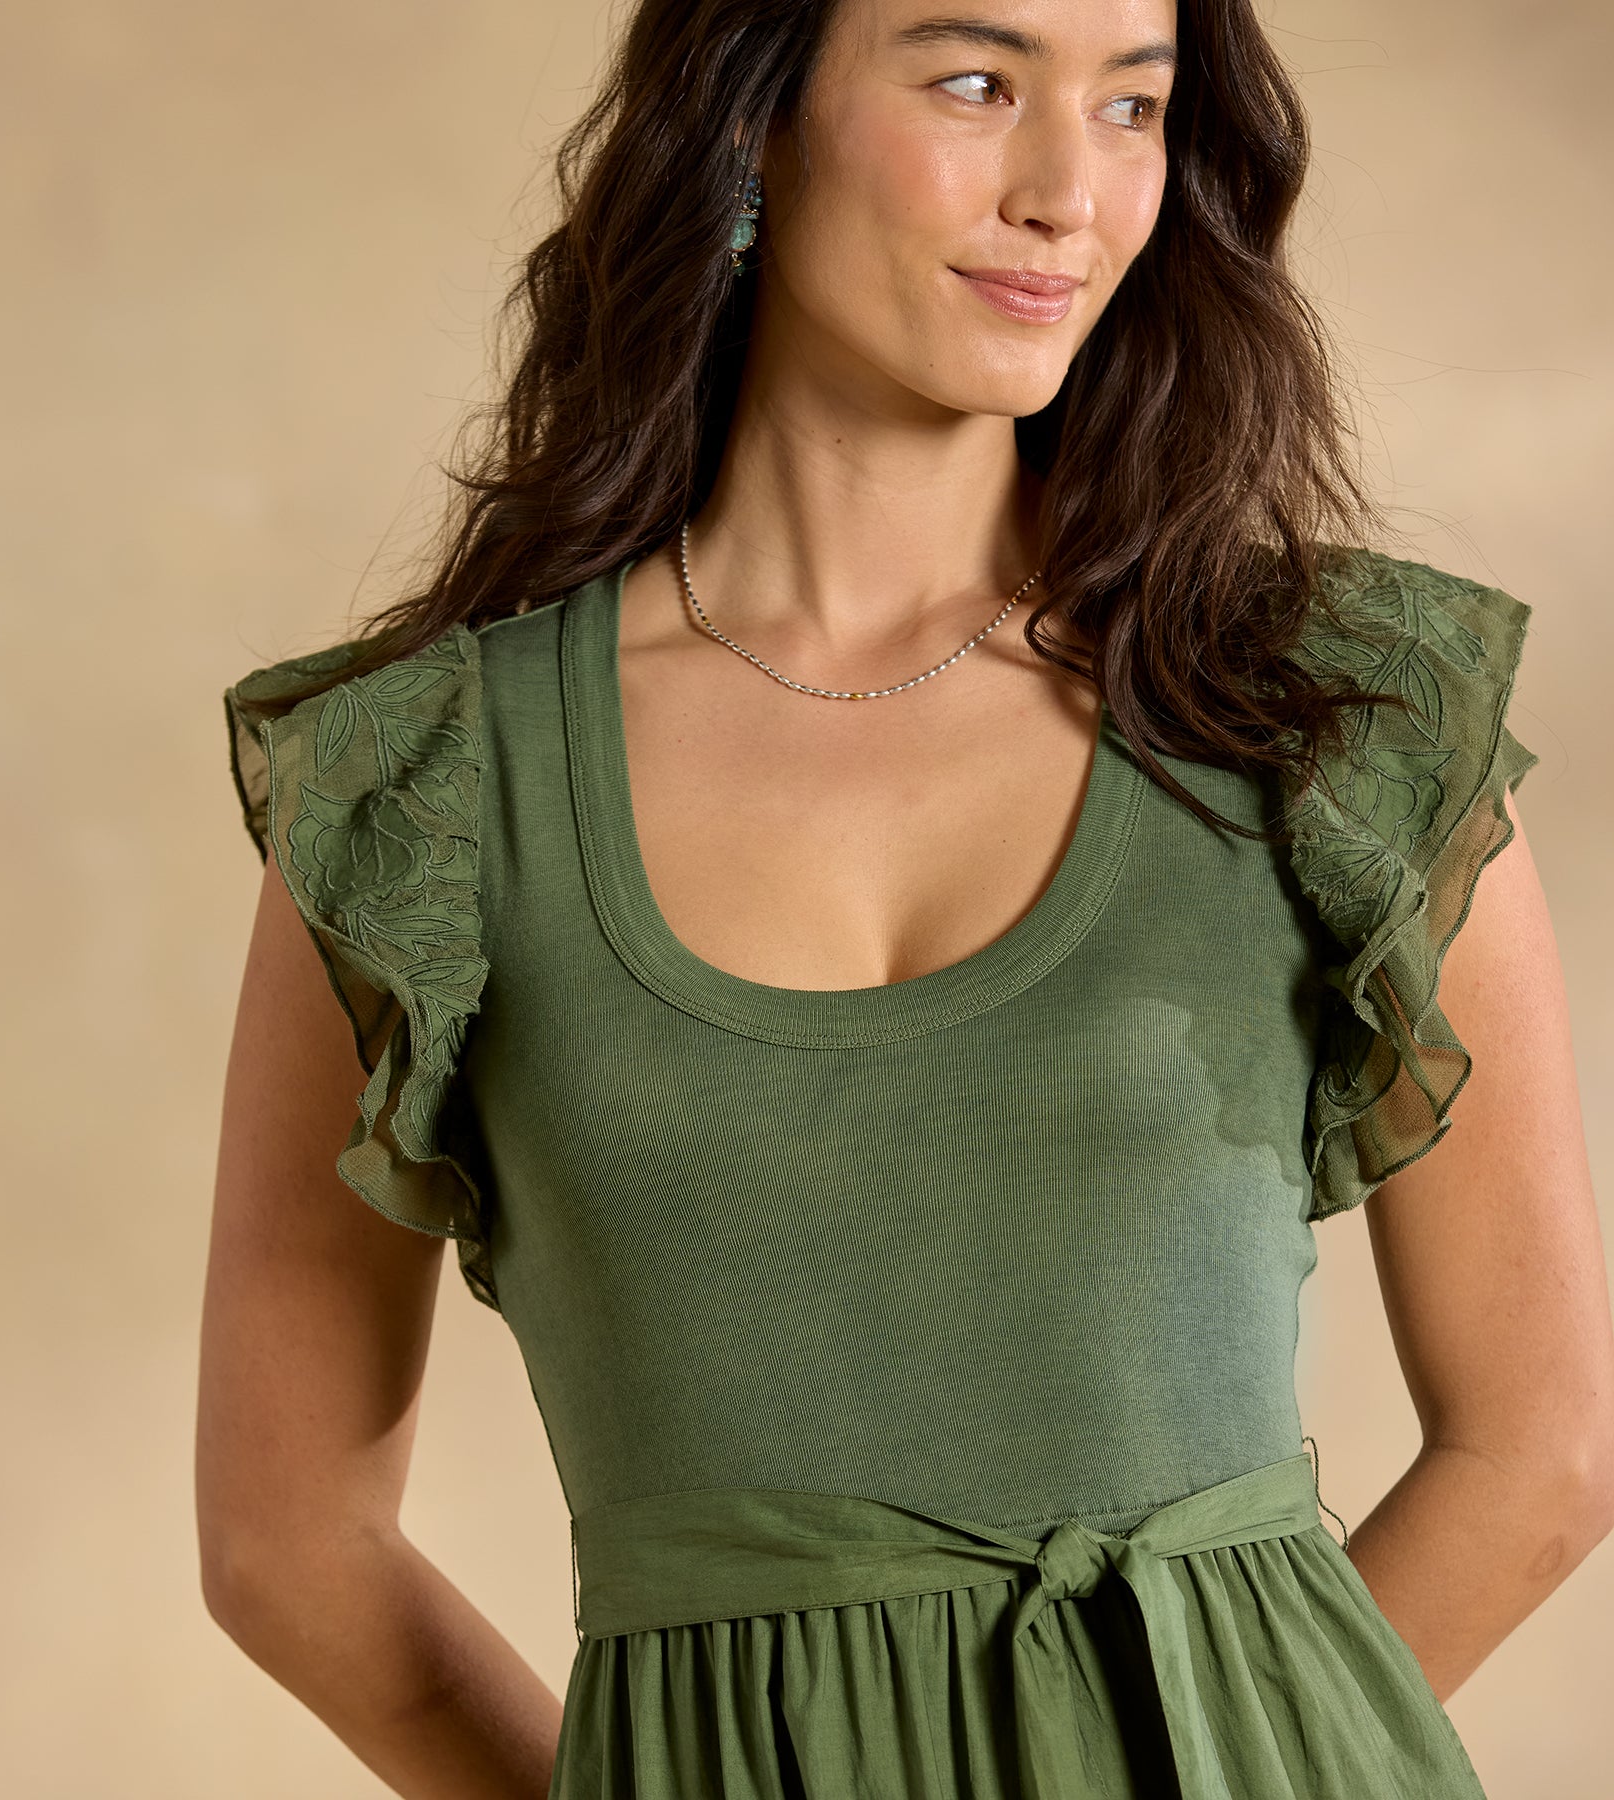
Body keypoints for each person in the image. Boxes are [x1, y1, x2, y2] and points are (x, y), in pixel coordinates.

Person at [196, 0, 1614, 1793]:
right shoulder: (430, 790)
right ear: (751, 121)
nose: (1067, 191)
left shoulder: (1327, 717)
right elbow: (286, 1548)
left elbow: (1545, 1452)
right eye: (976, 83)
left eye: (1133, 107)